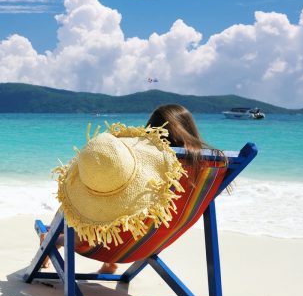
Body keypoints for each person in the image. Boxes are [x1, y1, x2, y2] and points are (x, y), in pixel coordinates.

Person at [45, 103, 217, 274]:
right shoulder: (206, 167)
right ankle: (59, 239)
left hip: (104, 244)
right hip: (149, 244)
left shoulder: (146, 169)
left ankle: (54, 239)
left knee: (77, 199)